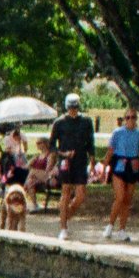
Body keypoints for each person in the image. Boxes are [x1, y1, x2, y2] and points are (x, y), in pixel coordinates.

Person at [48, 93, 95, 241]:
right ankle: (63, 228)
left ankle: (66, 215)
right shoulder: (59, 123)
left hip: (81, 160)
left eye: (75, 108)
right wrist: (63, 153)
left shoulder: (86, 121)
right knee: (66, 191)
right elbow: (51, 146)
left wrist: (92, 162)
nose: (73, 110)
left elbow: (91, 143)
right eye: (70, 108)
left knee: (80, 195)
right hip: (65, 161)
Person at [104, 109, 139, 242]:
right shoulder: (118, 133)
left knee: (127, 200)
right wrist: (104, 166)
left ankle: (122, 229)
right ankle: (110, 225)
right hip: (119, 165)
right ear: (124, 119)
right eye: (128, 117)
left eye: (133, 117)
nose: (130, 120)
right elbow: (110, 151)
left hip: (133, 166)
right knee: (120, 197)